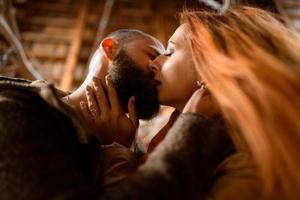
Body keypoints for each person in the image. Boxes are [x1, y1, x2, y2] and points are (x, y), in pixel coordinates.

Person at [87, 6, 300, 200]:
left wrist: (117, 153)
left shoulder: (252, 158)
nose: (153, 64)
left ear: (212, 64)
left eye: (169, 52)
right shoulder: (181, 133)